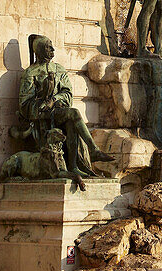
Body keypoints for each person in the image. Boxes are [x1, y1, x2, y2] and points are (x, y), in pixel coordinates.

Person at [12, 36, 113, 181]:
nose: (52, 49)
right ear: (39, 50)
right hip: (41, 115)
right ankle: (93, 150)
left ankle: (73, 166)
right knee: (74, 113)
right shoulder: (30, 73)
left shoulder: (59, 69)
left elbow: (68, 93)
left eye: (52, 46)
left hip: (57, 110)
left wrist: (54, 99)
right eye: (48, 47)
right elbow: (24, 104)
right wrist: (41, 104)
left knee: (71, 120)